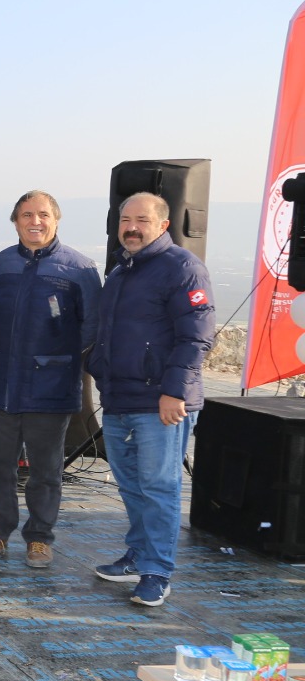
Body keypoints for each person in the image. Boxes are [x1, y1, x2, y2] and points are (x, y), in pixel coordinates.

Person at [89, 192, 214, 607]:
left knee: (159, 488)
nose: (131, 227)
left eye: (142, 220)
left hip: (161, 403)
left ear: (163, 225)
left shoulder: (182, 268)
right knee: (131, 486)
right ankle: (139, 555)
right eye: (125, 219)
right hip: (120, 399)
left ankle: (157, 571)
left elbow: (196, 336)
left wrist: (173, 392)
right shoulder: (121, 270)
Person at [0, 191, 101, 569]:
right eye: (27, 215)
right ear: (15, 221)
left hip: (51, 388)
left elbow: (92, 326)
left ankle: (40, 537)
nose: (35, 221)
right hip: (0, 384)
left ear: (56, 219)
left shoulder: (79, 269)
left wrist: (57, 360)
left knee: (46, 470)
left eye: (43, 214)